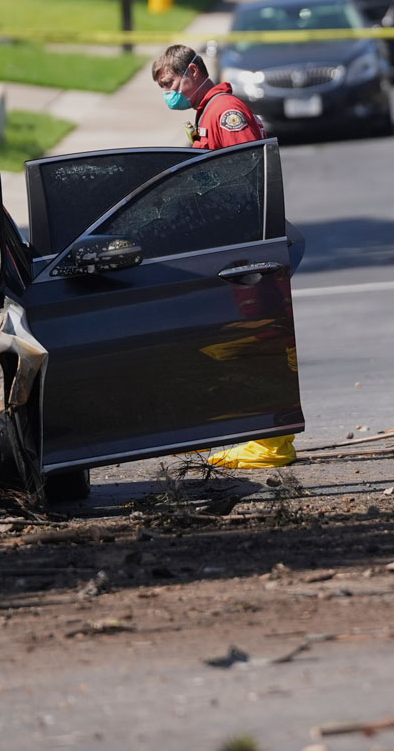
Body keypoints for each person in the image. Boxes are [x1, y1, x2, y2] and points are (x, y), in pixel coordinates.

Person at [152, 45, 293, 469]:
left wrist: (246, 247)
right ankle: (258, 433)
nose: (169, 94)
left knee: (263, 339)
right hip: (235, 249)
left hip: (247, 250)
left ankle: (272, 443)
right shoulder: (208, 113)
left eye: (171, 84)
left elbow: (249, 176)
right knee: (250, 339)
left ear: (194, 72)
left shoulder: (224, 113)